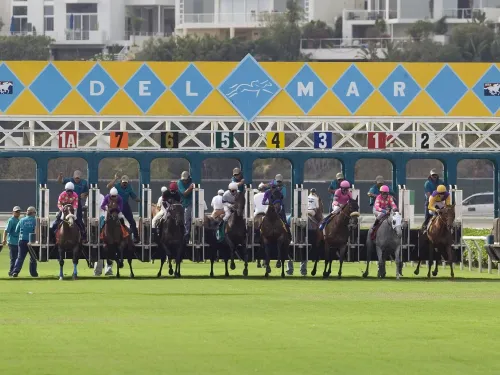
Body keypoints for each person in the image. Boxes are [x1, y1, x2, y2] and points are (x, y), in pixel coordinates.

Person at [107, 174, 141, 243]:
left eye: (126, 182)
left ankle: (136, 237)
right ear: (121, 182)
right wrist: (115, 178)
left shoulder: (129, 187)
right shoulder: (117, 186)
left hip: (125, 205)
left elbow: (134, 197)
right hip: (117, 206)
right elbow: (108, 186)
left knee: (132, 221)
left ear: (127, 182)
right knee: (112, 220)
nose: (124, 184)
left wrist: (142, 200)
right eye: (123, 182)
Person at [58, 170, 88, 240]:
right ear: (73, 177)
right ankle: (54, 233)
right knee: (58, 218)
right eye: (76, 178)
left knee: (78, 219)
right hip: (65, 205)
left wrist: (85, 194)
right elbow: (60, 181)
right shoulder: (68, 181)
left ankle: (83, 234)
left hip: (76, 203)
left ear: (80, 178)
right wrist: (60, 177)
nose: (77, 179)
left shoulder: (84, 183)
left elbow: (87, 192)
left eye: (78, 178)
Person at [11, 206, 38, 278]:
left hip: (22, 240)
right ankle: (33, 273)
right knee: (33, 258)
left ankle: (15, 272)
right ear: (33, 213)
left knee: (20, 257)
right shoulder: (35, 220)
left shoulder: (21, 220)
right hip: (31, 241)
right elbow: (37, 231)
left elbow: (16, 230)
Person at [3, 206, 21, 277]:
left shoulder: (19, 220)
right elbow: (6, 230)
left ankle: (13, 271)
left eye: (19, 211)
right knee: (13, 258)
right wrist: (4, 239)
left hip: (17, 242)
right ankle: (11, 271)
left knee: (16, 258)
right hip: (12, 242)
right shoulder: (11, 220)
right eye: (16, 212)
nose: (18, 213)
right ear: (13, 212)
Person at [178, 171, 194, 243]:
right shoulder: (179, 182)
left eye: (185, 179)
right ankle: (186, 234)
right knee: (186, 220)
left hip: (192, 202)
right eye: (183, 179)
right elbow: (184, 194)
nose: (184, 181)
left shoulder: (192, 180)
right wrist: (190, 188)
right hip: (184, 203)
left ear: (189, 178)